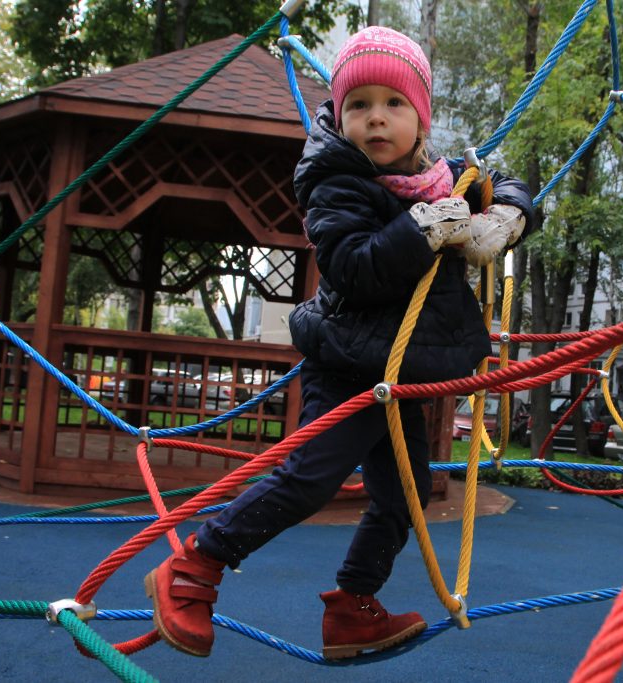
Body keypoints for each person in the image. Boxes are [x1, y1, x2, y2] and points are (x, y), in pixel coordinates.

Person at [144, 25, 533, 661]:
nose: (376, 120)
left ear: (420, 117)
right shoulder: (335, 179)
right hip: (351, 362)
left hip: (400, 373)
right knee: (310, 480)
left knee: (404, 498)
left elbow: (507, 183)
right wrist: (421, 229)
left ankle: (353, 608)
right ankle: (195, 566)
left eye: (394, 104)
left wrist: (508, 216)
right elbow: (352, 266)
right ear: (339, 113)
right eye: (359, 105)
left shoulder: (447, 178)